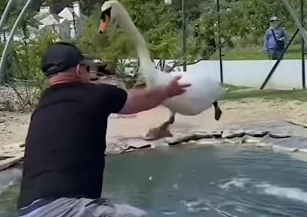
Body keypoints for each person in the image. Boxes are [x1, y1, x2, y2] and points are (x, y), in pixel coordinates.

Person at [17, 42, 191, 217]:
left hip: (28, 210)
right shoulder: (95, 94)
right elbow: (140, 100)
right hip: (64, 208)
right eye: (88, 67)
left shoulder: (43, 105)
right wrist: (168, 91)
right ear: (79, 69)